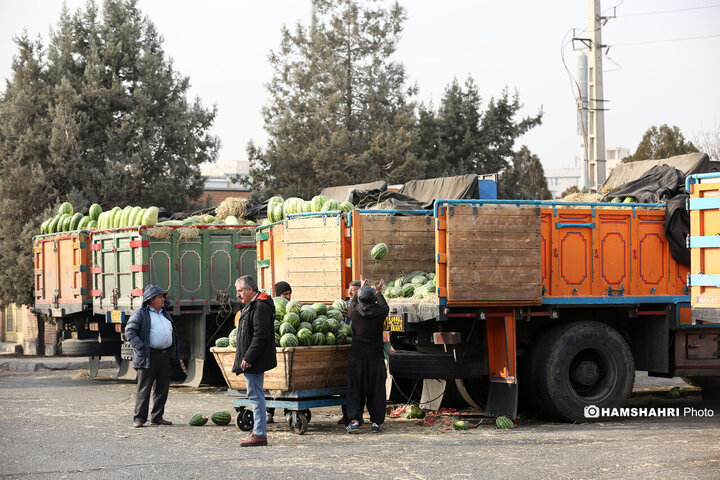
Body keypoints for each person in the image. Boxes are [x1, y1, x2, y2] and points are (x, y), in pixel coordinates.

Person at [232, 275, 277, 447]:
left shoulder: (260, 306)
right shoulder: (253, 305)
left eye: (240, 291)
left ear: (250, 289)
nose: (238, 295)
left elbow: (260, 335)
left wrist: (248, 357)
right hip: (253, 359)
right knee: (255, 394)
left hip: (255, 360)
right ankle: (258, 431)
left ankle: (259, 434)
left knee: (256, 396)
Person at [125, 284, 178, 428]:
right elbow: (129, 332)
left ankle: (157, 416)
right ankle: (139, 418)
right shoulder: (141, 313)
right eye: (160, 297)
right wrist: (141, 347)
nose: (163, 299)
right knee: (144, 388)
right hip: (148, 355)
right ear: (151, 299)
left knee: (162, 388)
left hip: (164, 355)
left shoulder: (164, 313)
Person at [345, 277, 389, 433]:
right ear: (373, 299)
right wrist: (378, 292)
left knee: (355, 390)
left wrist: (361, 288)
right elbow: (384, 305)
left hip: (357, 358)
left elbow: (353, 302)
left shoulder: (354, 312)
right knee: (376, 391)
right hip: (376, 359)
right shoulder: (381, 312)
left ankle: (354, 420)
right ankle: (376, 423)